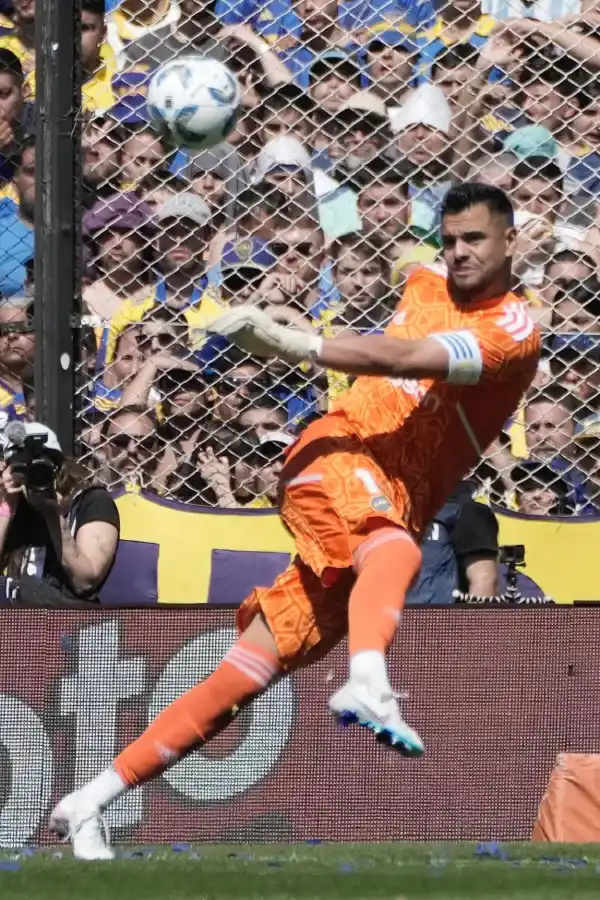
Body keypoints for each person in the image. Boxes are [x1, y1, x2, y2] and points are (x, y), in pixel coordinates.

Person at [51, 183, 540, 859]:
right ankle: (369, 678)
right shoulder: (425, 276)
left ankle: (90, 800)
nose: (456, 252)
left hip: (388, 490)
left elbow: (401, 358)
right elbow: (405, 275)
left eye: (474, 239)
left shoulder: (511, 332)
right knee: (394, 546)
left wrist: (292, 341)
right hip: (335, 454)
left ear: (510, 241)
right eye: (449, 239)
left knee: (243, 676)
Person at [0, 422, 120, 605]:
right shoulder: (15, 507)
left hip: (71, 624)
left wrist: (53, 515)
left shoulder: (92, 502)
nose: (35, 474)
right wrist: (6, 507)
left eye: (44, 465)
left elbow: (85, 582)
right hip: (18, 622)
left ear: (60, 467)